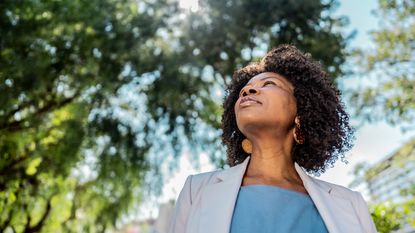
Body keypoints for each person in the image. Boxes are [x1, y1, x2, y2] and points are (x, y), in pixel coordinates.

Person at [167, 45, 378, 233]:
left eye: (269, 83)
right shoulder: (197, 190)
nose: (248, 90)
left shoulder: (351, 204)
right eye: (243, 90)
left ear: (302, 110)